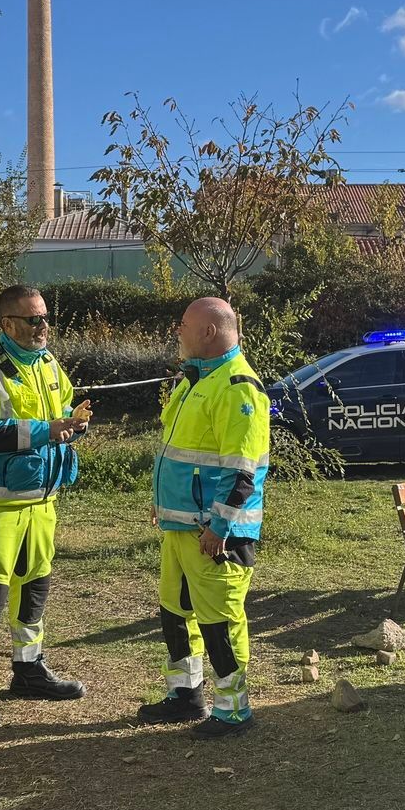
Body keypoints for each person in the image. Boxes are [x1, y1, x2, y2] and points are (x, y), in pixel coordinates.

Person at [0, 285, 92, 726]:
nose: (43, 327)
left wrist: (76, 425)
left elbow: (64, 410)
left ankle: (28, 670)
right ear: (7, 323)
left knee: (34, 587)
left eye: (46, 317)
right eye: (33, 320)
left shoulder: (48, 363)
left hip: (41, 501)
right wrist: (46, 430)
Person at [138, 297, 269, 737]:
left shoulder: (237, 388)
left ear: (209, 332)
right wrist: (163, 502)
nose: (178, 331)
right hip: (182, 527)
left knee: (220, 620)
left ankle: (234, 709)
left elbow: (241, 469)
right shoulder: (195, 380)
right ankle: (185, 695)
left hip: (214, 534)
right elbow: (182, 455)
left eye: (184, 324)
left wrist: (220, 526)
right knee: (175, 612)